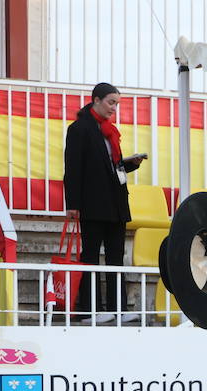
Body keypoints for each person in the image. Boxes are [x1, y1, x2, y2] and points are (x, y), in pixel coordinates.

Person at [63, 81, 147, 323]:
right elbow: (74, 168)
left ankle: (117, 308)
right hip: (92, 203)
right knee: (90, 256)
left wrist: (130, 164)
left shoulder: (110, 131)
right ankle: (89, 310)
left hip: (116, 204)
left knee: (115, 256)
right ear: (96, 100)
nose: (114, 108)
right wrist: (73, 204)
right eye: (111, 102)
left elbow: (112, 168)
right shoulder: (80, 129)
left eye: (117, 104)